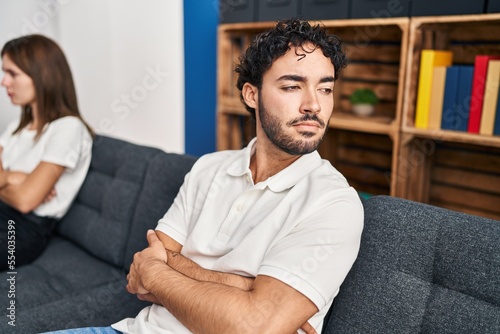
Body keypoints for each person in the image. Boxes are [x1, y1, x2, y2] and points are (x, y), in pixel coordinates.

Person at [44, 18, 363, 334]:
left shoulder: (333, 202)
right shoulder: (208, 168)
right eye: (292, 86)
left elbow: (255, 326)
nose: (313, 105)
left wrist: (159, 272)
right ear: (252, 95)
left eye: (325, 88)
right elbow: (141, 273)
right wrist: (245, 288)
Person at [0, 34, 93, 271]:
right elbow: (20, 191)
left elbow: (24, 201)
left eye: (12, 73)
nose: (3, 82)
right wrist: (15, 178)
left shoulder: (69, 128)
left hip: (21, 230)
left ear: (41, 75)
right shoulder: (16, 127)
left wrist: (9, 177)